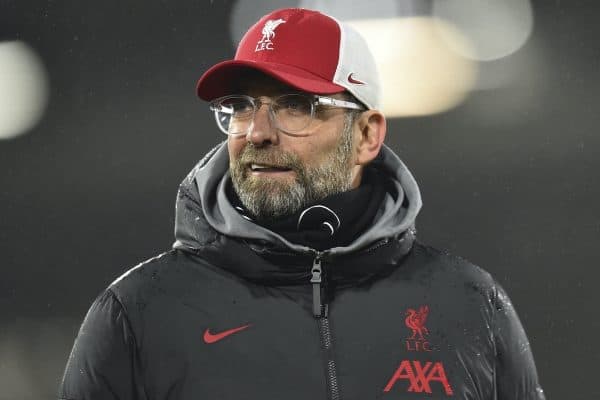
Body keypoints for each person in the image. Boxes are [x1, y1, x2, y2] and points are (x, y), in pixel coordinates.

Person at [59, 7, 545, 400]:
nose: (258, 133)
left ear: (367, 134)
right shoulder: (137, 314)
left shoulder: (470, 305)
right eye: (242, 107)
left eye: (296, 106)